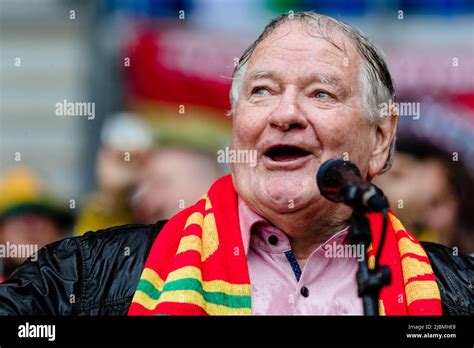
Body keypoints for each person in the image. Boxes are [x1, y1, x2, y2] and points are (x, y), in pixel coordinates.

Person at [0, 12, 472, 316]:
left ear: (381, 136)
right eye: (261, 91)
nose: (284, 114)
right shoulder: (86, 277)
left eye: (320, 93)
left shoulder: (458, 294)